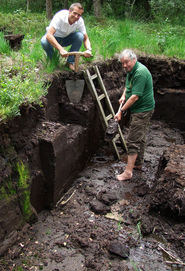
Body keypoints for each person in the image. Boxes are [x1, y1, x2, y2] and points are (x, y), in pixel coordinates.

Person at [114, 49, 155, 181]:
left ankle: (128, 172)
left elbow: (135, 97)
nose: (124, 66)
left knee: (132, 140)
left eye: (126, 62)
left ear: (134, 59)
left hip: (143, 110)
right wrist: (123, 95)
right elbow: (129, 86)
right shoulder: (131, 71)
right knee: (140, 137)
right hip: (140, 109)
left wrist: (120, 111)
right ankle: (138, 163)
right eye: (122, 63)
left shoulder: (140, 73)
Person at [41, 2, 92, 71]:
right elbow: (49, 35)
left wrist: (89, 49)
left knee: (80, 36)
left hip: (67, 38)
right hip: (54, 38)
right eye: (74, 13)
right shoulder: (60, 16)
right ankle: (54, 61)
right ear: (69, 11)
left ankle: (70, 62)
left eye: (79, 15)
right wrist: (61, 49)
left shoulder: (80, 21)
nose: (76, 16)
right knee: (44, 41)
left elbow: (86, 38)